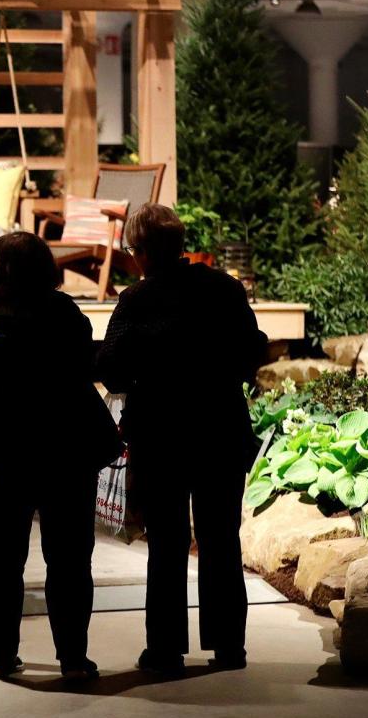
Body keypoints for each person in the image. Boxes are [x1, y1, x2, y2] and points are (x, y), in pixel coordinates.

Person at [97, 204, 267, 675]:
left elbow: (110, 370)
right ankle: (229, 647)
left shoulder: (138, 301)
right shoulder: (225, 289)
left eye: (133, 251)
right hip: (220, 430)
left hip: (161, 437)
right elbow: (252, 350)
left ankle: (166, 650)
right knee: (220, 540)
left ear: (145, 252)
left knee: (168, 546)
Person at [0, 231, 119, 681]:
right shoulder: (65, 317)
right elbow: (86, 366)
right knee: (68, 560)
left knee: (2, 561)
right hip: (64, 455)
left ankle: (1, 655)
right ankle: (73, 659)